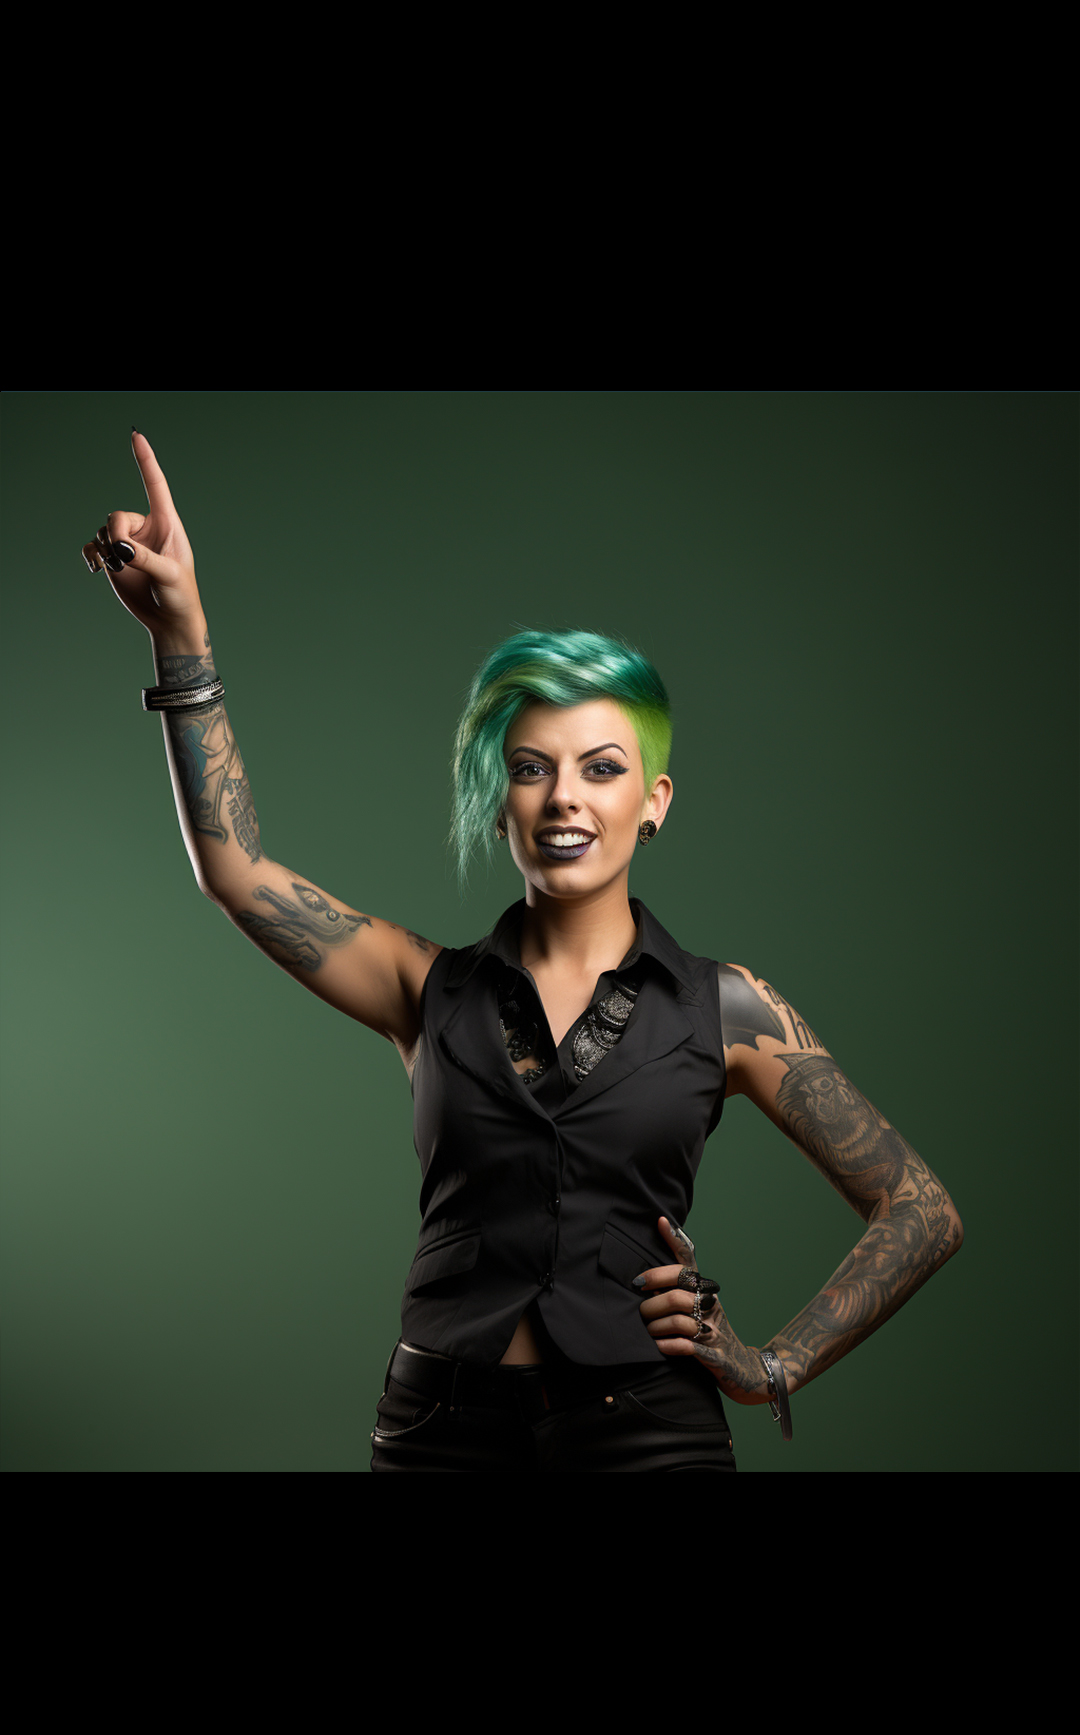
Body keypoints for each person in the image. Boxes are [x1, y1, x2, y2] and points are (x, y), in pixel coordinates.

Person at [84, 429, 965, 1473]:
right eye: (532, 769)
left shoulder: (726, 1008)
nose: (565, 800)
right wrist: (180, 632)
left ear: (654, 802)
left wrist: (771, 1364)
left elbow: (921, 1211)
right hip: (440, 1428)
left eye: (602, 768)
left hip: (649, 1430)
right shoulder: (421, 985)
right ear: (499, 803)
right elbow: (235, 869)